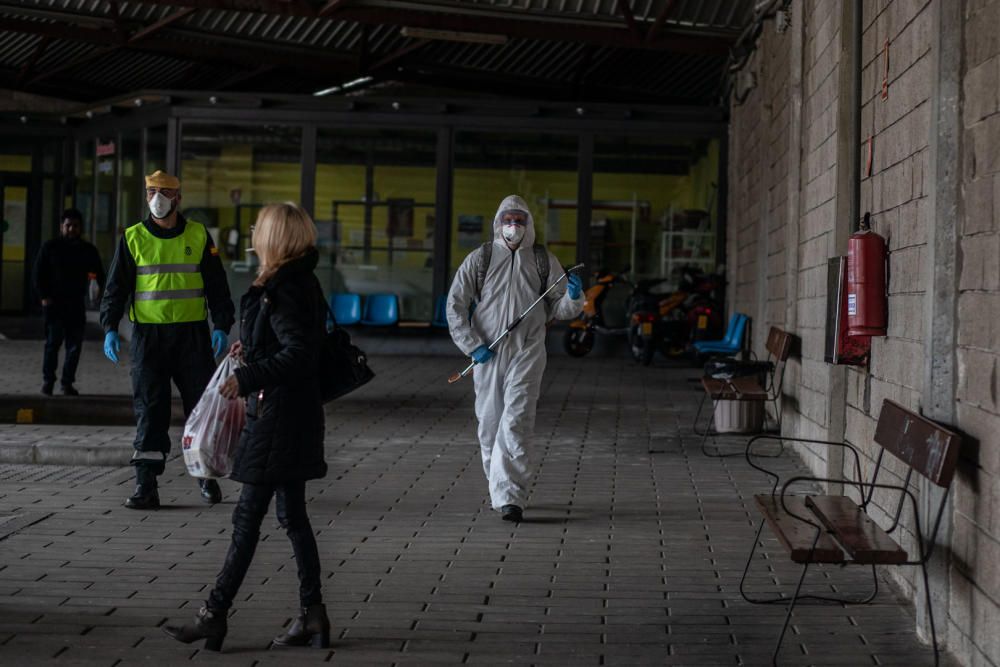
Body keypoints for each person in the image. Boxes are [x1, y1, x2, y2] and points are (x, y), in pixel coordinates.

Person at [163, 202, 329, 652]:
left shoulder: (283, 287)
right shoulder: (296, 281)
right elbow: (288, 342)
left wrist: (247, 376)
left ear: (276, 238)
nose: (254, 231)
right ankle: (313, 615)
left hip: (276, 418)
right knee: (292, 517)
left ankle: (214, 615)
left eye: (260, 227)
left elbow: (299, 354)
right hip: (292, 415)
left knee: (246, 519)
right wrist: (251, 346)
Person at [100, 170, 235, 510]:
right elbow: (116, 288)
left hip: (192, 336)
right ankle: (146, 484)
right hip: (149, 338)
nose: (156, 197)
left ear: (178, 197)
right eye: (150, 191)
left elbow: (217, 287)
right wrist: (110, 327)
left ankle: (206, 476)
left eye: (163, 191)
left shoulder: (199, 235)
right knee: (150, 408)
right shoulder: (132, 238)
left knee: (201, 409)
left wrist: (221, 324)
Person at [446, 195, 583, 522]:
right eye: (508, 219)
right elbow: (455, 304)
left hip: (528, 349)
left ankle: (511, 497)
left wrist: (575, 298)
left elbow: (559, 308)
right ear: (498, 221)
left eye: (519, 220)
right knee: (490, 422)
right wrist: (471, 344)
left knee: (516, 418)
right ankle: (500, 486)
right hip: (488, 352)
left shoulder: (542, 260)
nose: (513, 225)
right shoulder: (480, 258)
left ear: (528, 224)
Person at [32, 208, 105, 396]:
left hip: (75, 305)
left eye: (75, 226)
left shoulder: (87, 250)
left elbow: (98, 274)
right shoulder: (50, 248)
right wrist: (44, 298)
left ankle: (67, 383)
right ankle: (48, 382)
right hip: (54, 305)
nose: (71, 229)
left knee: (74, 347)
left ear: (81, 228)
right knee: (52, 344)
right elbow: (38, 274)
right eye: (68, 225)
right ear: (61, 227)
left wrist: (96, 289)